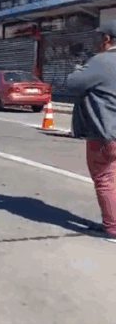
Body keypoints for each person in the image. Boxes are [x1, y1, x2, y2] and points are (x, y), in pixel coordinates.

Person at [67, 24, 116, 242]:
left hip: (106, 132)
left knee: (105, 179)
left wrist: (79, 68)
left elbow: (72, 84)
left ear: (107, 39)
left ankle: (113, 229)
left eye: (98, 38)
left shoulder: (101, 61)